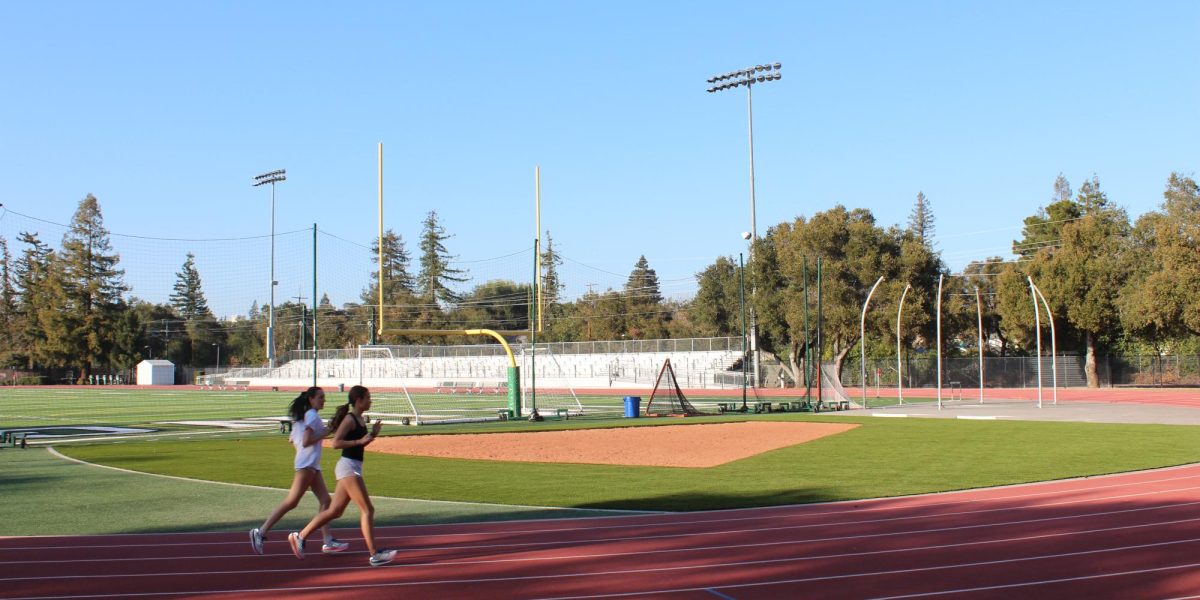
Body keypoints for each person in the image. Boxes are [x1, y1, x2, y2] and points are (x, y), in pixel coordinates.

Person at [287, 385, 397, 567]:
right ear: (358, 400)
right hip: (348, 468)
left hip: (352, 467)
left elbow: (358, 445)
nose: (370, 401)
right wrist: (359, 441)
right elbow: (336, 443)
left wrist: (371, 435)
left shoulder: (360, 419)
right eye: (368, 398)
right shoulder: (349, 419)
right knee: (368, 510)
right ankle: (374, 554)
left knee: (335, 511)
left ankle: (300, 536)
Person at [249, 387, 349, 556]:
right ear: (310, 399)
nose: (323, 400)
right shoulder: (311, 415)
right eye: (320, 397)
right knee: (292, 501)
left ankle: (328, 541)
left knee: (326, 501)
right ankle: (260, 532)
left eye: (324, 397)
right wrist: (328, 431)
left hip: (311, 465)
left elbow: (293, 440)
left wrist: (327, 430)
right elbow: (306, 440)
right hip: (306, 465)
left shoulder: (303, 418)